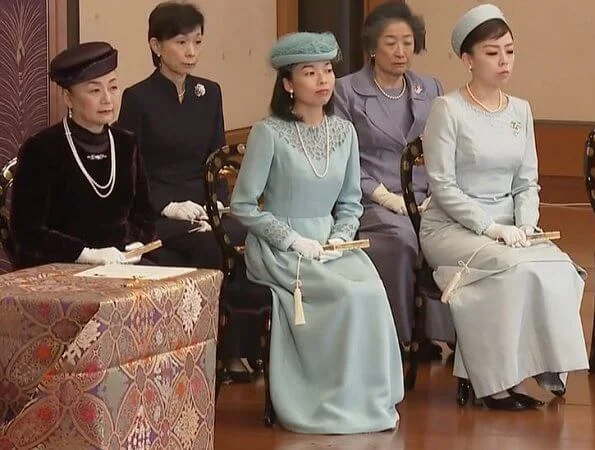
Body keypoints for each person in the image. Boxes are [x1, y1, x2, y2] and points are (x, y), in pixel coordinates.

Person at [230, 32, 403, 434]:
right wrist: (292, 240)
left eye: (328, 70)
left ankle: (365, 397)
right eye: (310, 72)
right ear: (288, 84)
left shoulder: (344, 131)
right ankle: (326, 398)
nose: (324, 80)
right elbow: (242, 206)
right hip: (281, 245)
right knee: (345, 295)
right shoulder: (267, 132)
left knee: (372, 292)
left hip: (331, 242)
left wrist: (341, 237)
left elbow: (350, 203)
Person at [420, 4, 589, 410]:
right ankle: (492, 383)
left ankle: (539, 367)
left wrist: (526, 225)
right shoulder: (448, 109)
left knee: (558, 267)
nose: (504, 61)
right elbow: (442, 185)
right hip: (452, 228)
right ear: (468, 59)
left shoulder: (520, 110)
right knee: (512, 268)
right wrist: (490, 228)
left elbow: (527, 182)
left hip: (512, 228)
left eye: (509, 51)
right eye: (492, 52)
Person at [117, 1, 252, 381]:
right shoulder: (137, 97)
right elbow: (131, 168)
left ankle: (236, 350)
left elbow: (217, 159)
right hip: (159, 209)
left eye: (197, 42)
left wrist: (219, 207)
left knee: (240, 237)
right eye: (181, 43)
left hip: (204, 206)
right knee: (209, 248)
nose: (191, 52)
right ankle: (204, 355)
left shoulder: (209, 93)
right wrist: (166, 205)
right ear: (156, 46)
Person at [334, 0, 454, 354]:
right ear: (372, 46)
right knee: (402, 241)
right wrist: (386, 197)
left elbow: (443, 150)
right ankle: (398, 337)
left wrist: (435, 193)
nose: (401, 51)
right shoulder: (346, 91)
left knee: (451, 235)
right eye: (391, 42)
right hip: (373, 199)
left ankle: (440, 331)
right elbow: (346, 160)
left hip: (426, 196)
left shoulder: (430, 88)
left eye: (407, 41)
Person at [10, 42, 156, 269]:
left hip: (121, 262)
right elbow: (26, 231)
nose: (107, 99)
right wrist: (85, 254)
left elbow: (144, 213)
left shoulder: (126, 143)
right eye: (95, 90)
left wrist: (137, 242)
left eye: (113, 87)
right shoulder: (41, 148)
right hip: (63, 268)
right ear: (68, 98)